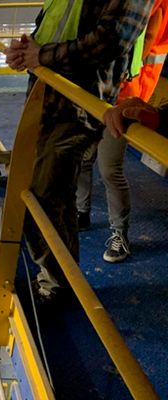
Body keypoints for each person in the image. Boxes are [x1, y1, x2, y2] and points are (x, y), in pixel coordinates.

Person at [3, 1, 151, 304]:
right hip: (46, 97)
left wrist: (40, 55)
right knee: (55, 196)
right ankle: (62, 281)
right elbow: (53, 24)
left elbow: (111, 38)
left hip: (80, 107)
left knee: (38, 198)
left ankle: (58, 286)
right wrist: (28, 48)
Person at [76, 0, 168, 263]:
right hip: (97, 90)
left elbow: (141, 42)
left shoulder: (153, 4)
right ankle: (81, 212)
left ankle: (120, 234)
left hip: (124, 97)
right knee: (83, 157)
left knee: (109, 169)